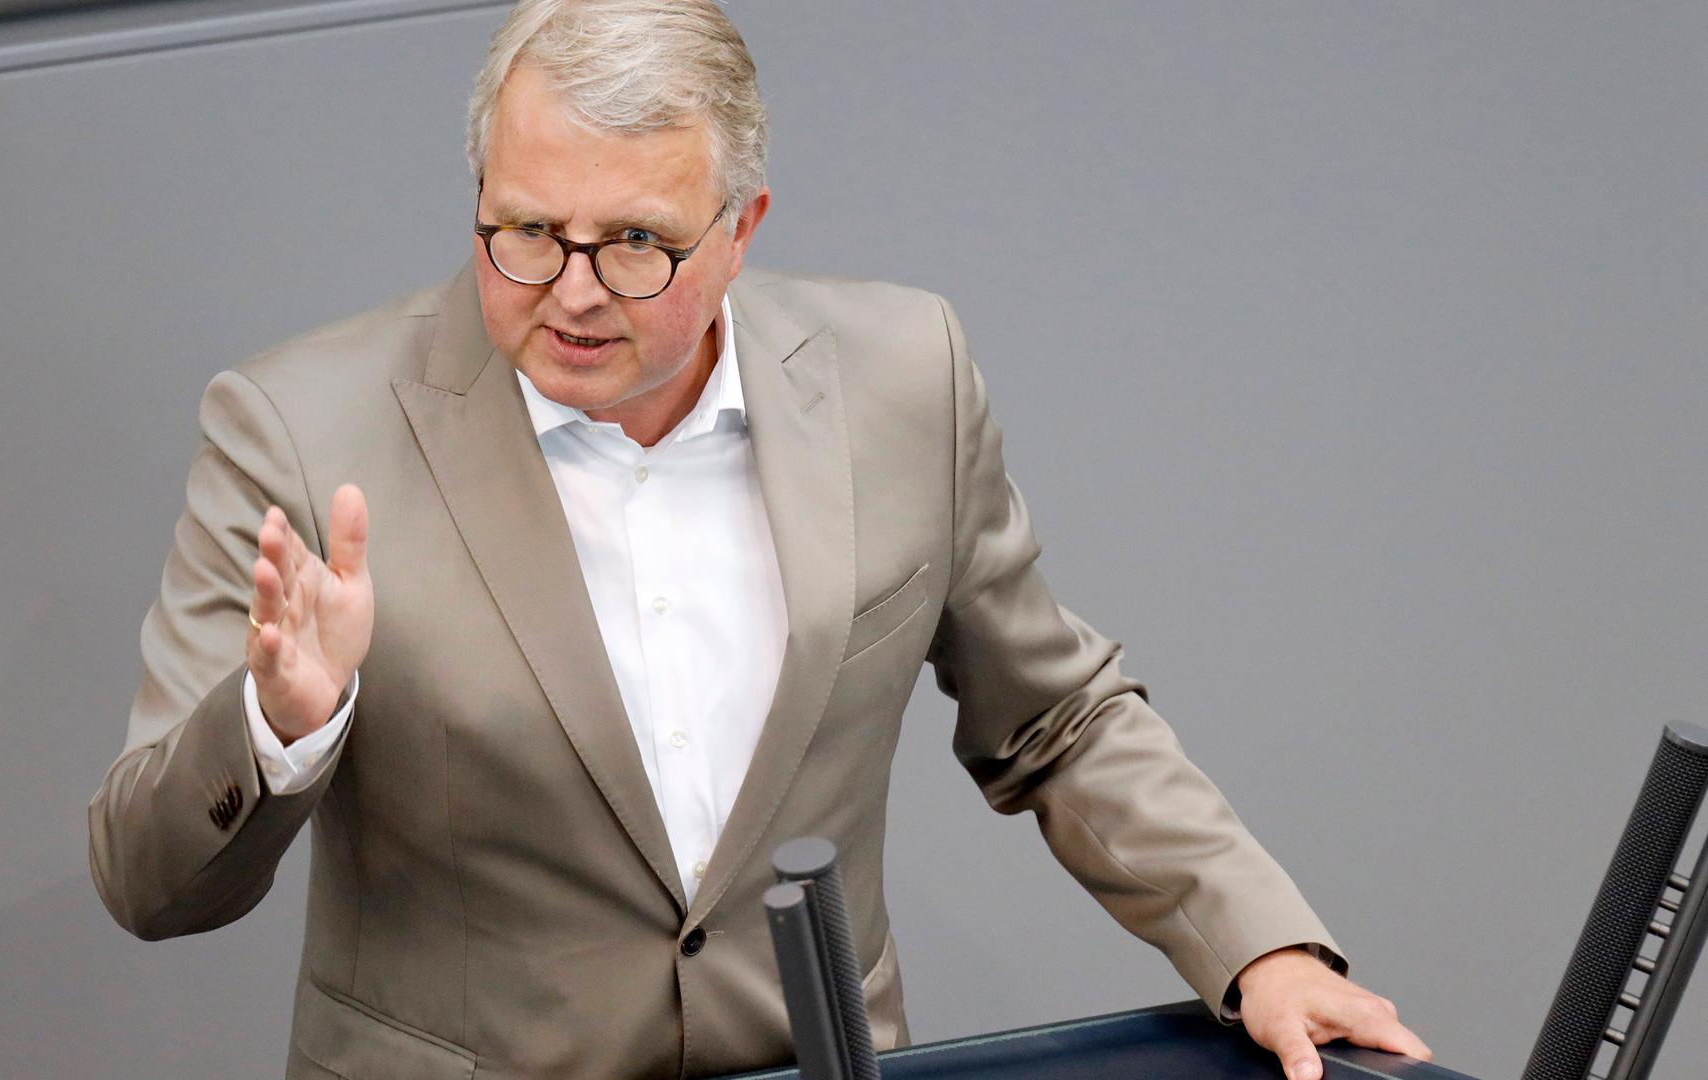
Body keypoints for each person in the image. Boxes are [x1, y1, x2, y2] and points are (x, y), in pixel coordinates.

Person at [88, 2, 1434, 1078]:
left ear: (742, 231)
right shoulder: (300, 427)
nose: (570, 292)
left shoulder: (906, 375)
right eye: (525, 233)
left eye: (634, 244)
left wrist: (1261, 949)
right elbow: (145, 884)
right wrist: (278, 726)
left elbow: (1057, 720)